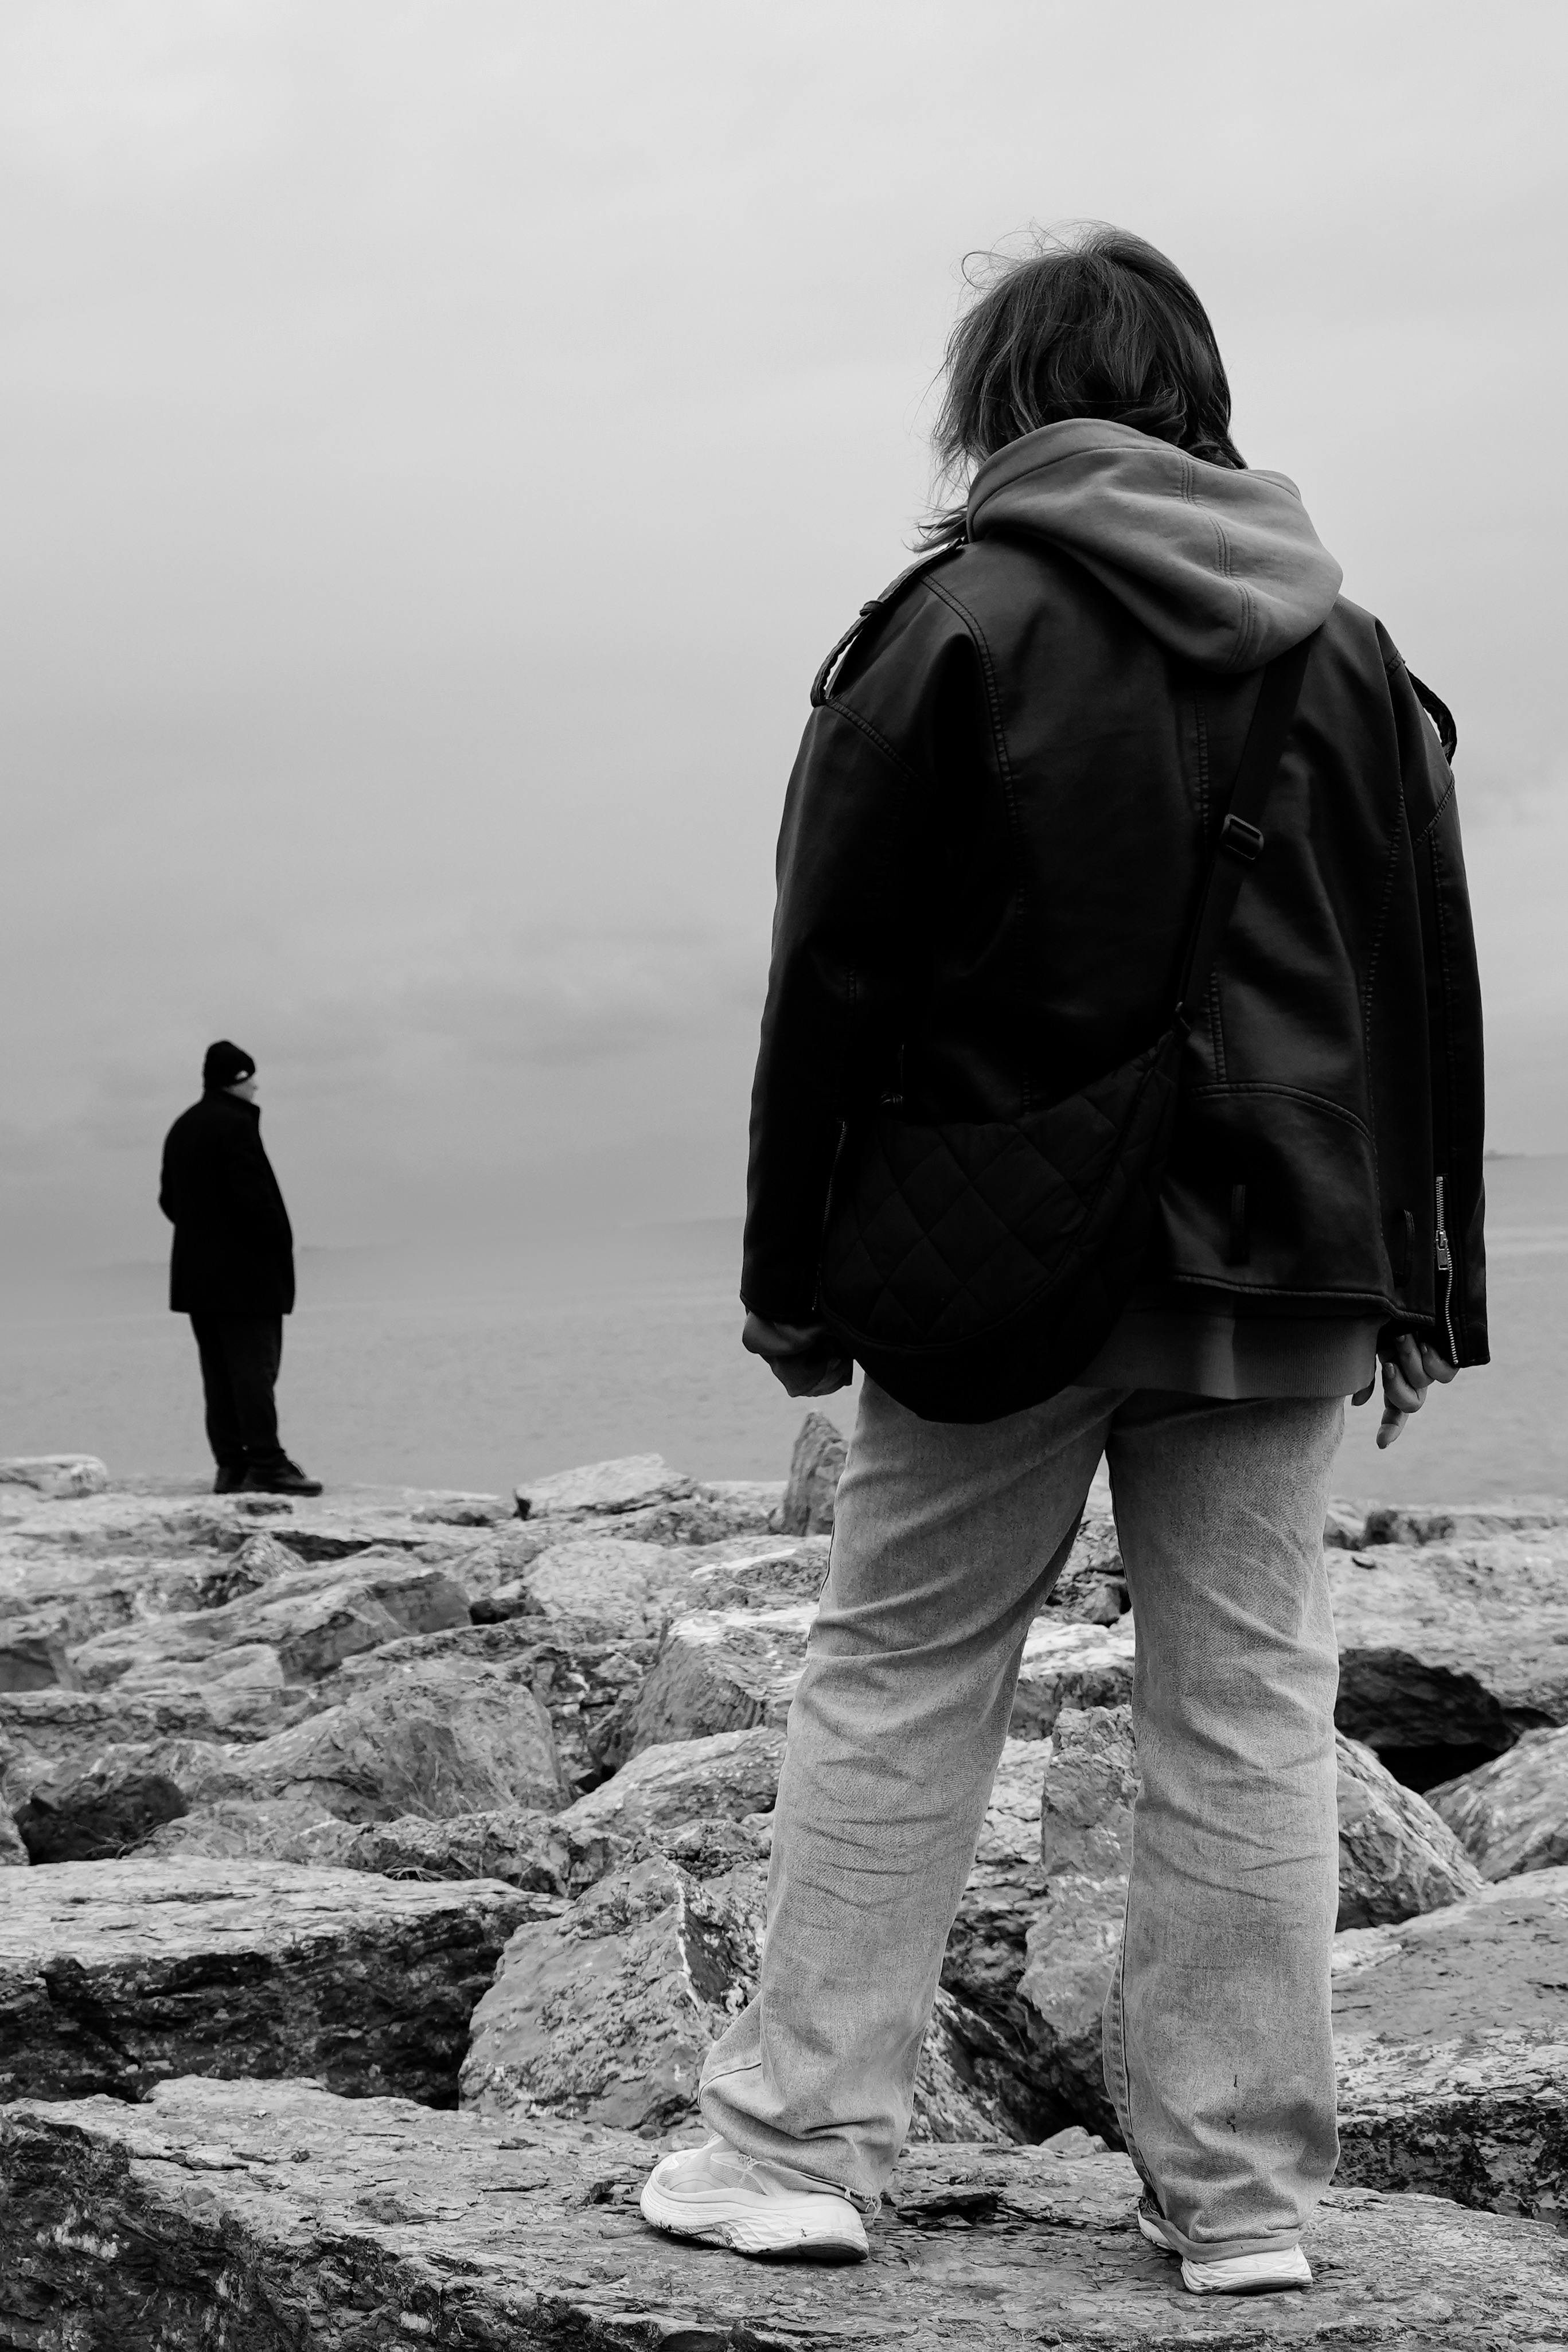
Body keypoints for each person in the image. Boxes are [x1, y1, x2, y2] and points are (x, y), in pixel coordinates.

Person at [639, 226, 1485, 2294]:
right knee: (1251, 1714)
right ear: (1196, 395)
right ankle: (1240, 2202)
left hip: (994, 1262)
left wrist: (787, 1273)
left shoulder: (950, 624)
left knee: (905, 1672)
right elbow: (1420, 979)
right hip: (1289, 1259)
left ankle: (789, 2138)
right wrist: (1426, 1279)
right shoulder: (1350, 651)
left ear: (998, 405)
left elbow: (826, 983)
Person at [159, 1040, 322, 1497]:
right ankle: (268, 1464)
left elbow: (169, 1200)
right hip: (245, 1277)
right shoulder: (235, 1126)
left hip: (198, 1278)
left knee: (220, 1374)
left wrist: (204, 1235)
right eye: (250, 1076)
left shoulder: (183, 1127)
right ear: (235, 1080)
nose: (256, 1085)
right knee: (255, 1370)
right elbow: (257, 1204)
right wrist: (273, 1247)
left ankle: (232, 1467)